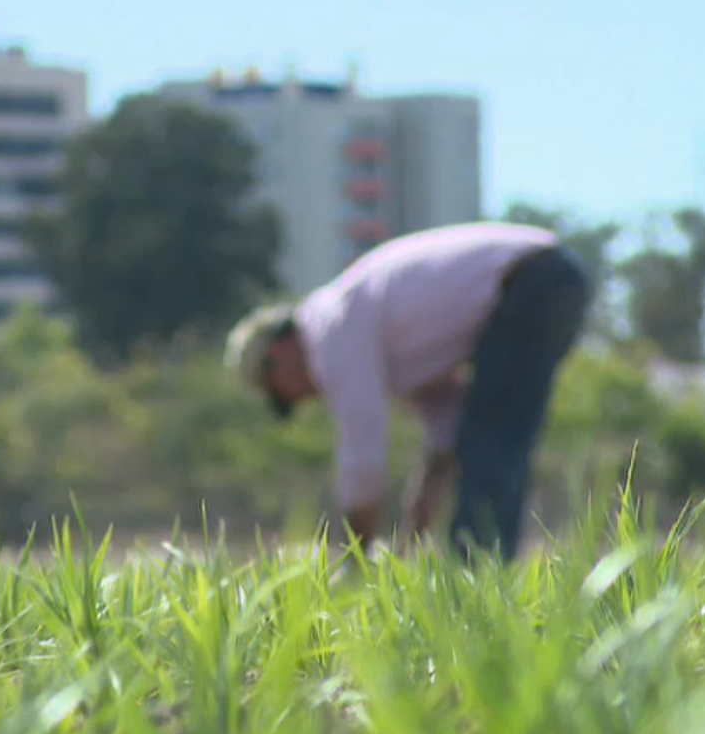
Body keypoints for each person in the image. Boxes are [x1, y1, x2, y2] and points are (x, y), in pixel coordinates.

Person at [223, 221, 593, 563]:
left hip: (532, 279)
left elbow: (363, 457)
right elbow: (447, 433)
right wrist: (411, 537)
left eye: (282, 395)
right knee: (488, 441)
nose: (301, 401)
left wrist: (356, 562)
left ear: (275, 356)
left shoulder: (331, 331)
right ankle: (483, 576)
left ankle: (480, 585)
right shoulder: (377, 341)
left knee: (492, 443)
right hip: (551, 277)